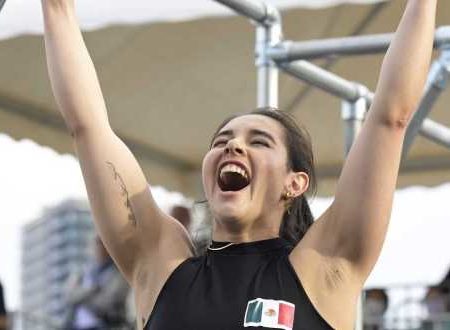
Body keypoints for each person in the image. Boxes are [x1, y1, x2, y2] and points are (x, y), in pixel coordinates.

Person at [39, 0, 438, 329]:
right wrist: (56, 8)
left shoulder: (323, 266)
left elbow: (390, 117)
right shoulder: (161, 263)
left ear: (294, 183)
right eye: (221, 142)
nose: (233, 148)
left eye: (258, 142)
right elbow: (88, 126)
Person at [64, 237, 131, 330]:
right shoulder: (82, 272)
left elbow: (106, 304)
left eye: (103, 243)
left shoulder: (119, 273)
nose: (100, 247)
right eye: (97, 243)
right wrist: (93, 290)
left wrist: (80, 298)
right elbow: (69, 296)